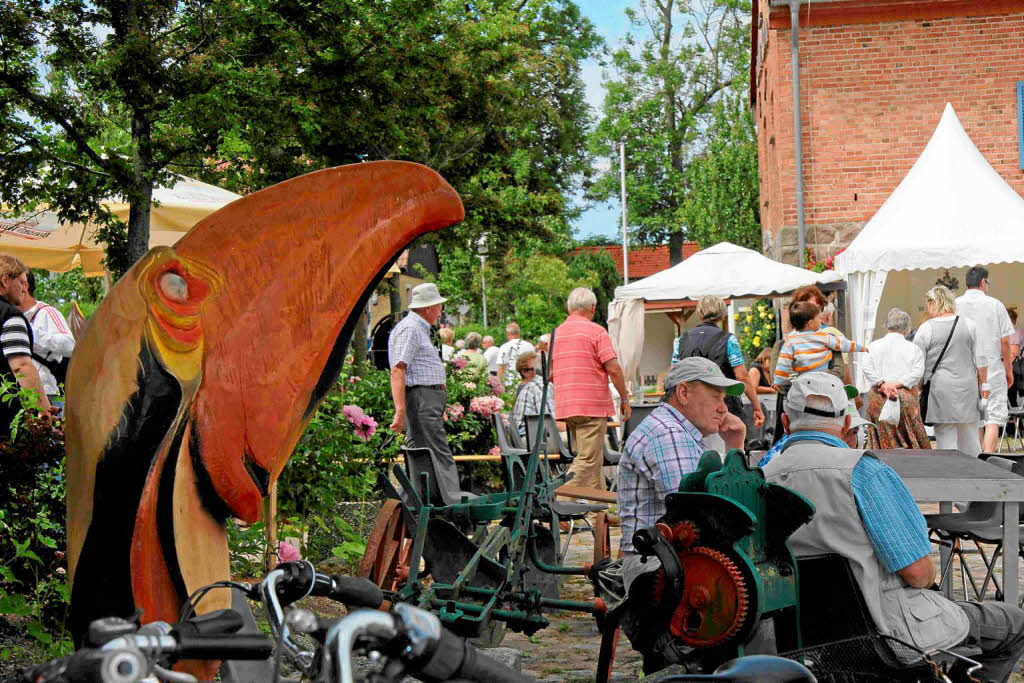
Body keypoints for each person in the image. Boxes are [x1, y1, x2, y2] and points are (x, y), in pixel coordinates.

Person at [762, 372, 1024, 683]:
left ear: (785, 422)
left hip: (799, 640)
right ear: (846, 424)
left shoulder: (760, 479)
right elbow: (920, 574)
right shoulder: (864, 473)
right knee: (1013, 622)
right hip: (888, 635)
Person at [618, 357, 747, 589]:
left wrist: (734, 447)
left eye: (724, 399)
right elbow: (698, 520)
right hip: (658, 568)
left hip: (666, 561)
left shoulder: (675, 430)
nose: (724, 408)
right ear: (684, 393)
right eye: (716, 397)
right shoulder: (670, 434)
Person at [550, 287, 631, 491]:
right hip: (591, 406)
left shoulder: (556, 334)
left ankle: (599, 516)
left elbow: (551, 374)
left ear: (569, 308)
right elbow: (613, 369)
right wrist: (624, 398)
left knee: (593, 462)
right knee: (587, 461)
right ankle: (556, 501)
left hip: (567, 407)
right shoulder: (596, 331)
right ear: (593, 308)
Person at [388, 283, 462, 504]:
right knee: (437, 453)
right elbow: (398, 369)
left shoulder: (417, 328)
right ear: (428, 308)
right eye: (439, 306)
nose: (440, 311)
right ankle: (450, 505)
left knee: (424, 455)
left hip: (426, 400)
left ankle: (419, 506)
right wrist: (400, 411)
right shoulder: (411, 329)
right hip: (421, 399)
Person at [673, 296, 765, 428]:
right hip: (724, 407)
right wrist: (756, 407)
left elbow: (674, 374)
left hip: (692, 408)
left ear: (699, 314)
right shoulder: (728, 340)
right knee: (730, 445)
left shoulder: (681, 340)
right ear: (722, 315)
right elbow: (742, 376)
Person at [916, 285, 987, 457]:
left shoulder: (926, 328)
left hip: (940, 390)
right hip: (967, 389)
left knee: (945, 438)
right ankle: (974, 472)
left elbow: (918, 364)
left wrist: (919, 388)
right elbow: (981, 361)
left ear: (934, 303)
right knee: (970, 437)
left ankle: (950, 474)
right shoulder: (970, 325)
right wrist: (984, 387)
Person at [956, 267, 1014, 453]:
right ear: (983, 282)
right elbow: (1005, 340)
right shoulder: (995, 304)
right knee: (993, 417)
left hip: (963, 367)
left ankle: (976, 459)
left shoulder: (955, 304)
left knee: (973, 416)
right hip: (991, 367)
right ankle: (987, 459)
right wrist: (1008, 369)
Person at [862, 308, 929, 450]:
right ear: (906, 329)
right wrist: (898, 384)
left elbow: (866, 368)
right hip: (904, 397)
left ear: (886, 326)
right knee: (911, 439)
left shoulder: (873, 346)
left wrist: (883, 384)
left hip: (879, 396)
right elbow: (918, 372)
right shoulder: (913, 349)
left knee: (881, 439)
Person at [0, 256, 53, 435]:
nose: (25, 288)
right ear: (5, 280)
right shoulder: (9, 316)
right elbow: (21, 366)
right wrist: (45, 411)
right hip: (5, 421)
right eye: (22, 282)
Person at [773, 300, 867, 387]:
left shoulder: (790, 342)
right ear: (810, 323)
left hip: (803, 379)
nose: (820, 321)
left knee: (795, 400)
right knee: (833, 393)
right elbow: (842, 344)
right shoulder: (823, 336)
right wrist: (860, 348)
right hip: (825, 376)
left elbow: (783, 363)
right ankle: (843, 398)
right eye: (818, 318)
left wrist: (778, 381)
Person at [511, 351, 554, 437]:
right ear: (524, 372)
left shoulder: (524, 387)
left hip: (524, 437)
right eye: (537, 368)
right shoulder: (540, 386)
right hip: (533, 440)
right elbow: (551, 423)